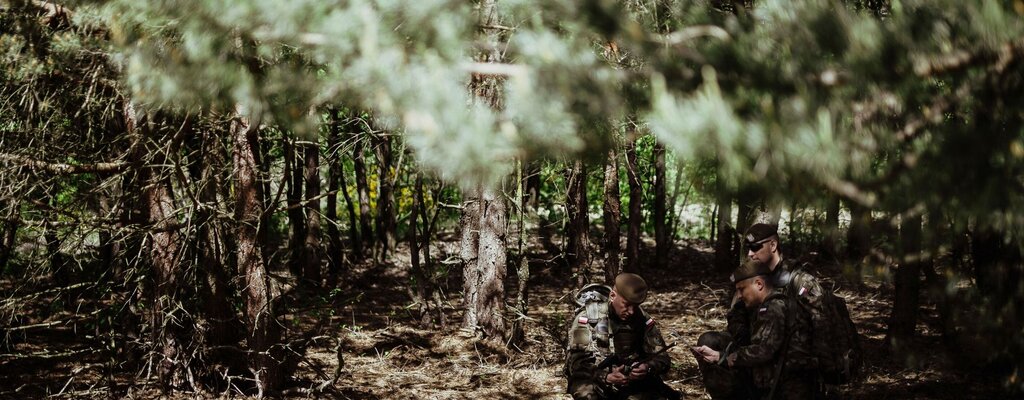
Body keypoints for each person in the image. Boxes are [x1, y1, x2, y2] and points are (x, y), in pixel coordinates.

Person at [692, 260, 817, 400]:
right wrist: (719, 356)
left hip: (788, 389)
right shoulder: (774, 305)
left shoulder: (773, 308)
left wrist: (725, 358)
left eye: (741, 289)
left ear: (759, 284)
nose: (739, 295)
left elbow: (762, 351)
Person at [565, 273, 680, 400]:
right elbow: (576, 363)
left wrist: (647, 367)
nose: (631, 311)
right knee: (586, 394)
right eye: (626, 304)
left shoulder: (641, 319)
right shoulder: (588, 317)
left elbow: (662, 358)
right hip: (595, 379)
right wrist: (606, 377)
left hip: (630, 381)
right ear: (613, 296)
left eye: (635, 306)